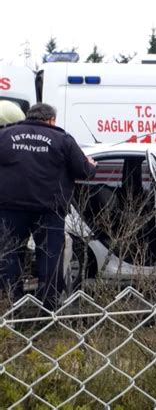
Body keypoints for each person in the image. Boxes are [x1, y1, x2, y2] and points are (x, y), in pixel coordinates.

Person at [0, 103, 97, 310]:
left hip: (10, 209)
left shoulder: (5, 135)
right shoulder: (62, 139)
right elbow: (84, 172)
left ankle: (10, 306)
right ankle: (47, 310)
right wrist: (90, 164)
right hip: (49, 211)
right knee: (50, 259)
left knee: (9, 257)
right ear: (51, 119)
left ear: (29, 116)